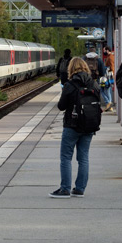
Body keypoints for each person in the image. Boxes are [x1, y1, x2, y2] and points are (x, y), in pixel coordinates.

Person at [50, 57, 101, 198]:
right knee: (83, 158)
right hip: (89, 126)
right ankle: (80, 189)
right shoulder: (94, 84)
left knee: (66, 157)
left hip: (72, 126)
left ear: (71, 69)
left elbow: (61, 106)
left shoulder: (70, 85)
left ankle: (65, 189)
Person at [101, 46, 115, 112]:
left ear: (107, 50)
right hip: (109, 76)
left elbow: (112, 67)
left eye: (104, 50)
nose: (103, 51)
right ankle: (109, 105)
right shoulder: (109, 56)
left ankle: (108, 103)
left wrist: (110, 72)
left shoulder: (110, 57)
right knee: (107, 90)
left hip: (108, 76)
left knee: (104, 90)